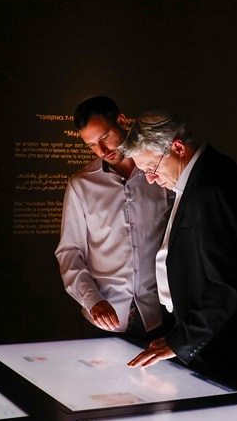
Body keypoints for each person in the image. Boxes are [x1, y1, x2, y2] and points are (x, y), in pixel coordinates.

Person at [120, 110, 237, 389]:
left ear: (177, 147)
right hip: (196, 332)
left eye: (151, 169)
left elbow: (227, 283)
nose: (151, 180)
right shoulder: (198, 176)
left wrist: (180, 342)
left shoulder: (212, 186)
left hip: (215, 344)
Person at [55, 96, 174, 347]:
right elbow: (70, 251)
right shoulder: (80, 185)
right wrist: (92, 300)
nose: (103, 150)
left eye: (105, 137)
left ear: (121, 121)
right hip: (101, 321)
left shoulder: (160, 174)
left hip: (158, 317)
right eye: (92, 145)